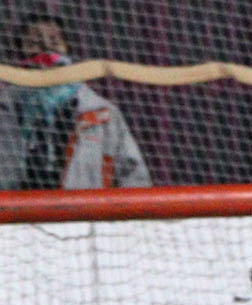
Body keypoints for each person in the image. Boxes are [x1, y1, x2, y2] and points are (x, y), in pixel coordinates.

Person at [0, 12, 151, 189]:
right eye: (34, 43)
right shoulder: (6, 108)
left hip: (82, 206)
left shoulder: (103, 113)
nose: (47, 49)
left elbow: (134, 175)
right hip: (17, 205)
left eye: (55, 41)